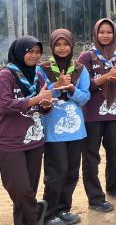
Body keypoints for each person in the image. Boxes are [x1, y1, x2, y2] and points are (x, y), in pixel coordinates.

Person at [78, 18, 116, 212]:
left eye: (109, 32)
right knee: (91, 156)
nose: (106, 35)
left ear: (114, 34)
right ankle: (95, 197)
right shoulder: (86, 57)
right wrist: (106, 77)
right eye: (102, 32)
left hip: (115, 112)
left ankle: (112, 185)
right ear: (95, 34)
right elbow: (83, 86)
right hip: (92, 114)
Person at [38, 30, 90, 225]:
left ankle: (63, 209)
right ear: (52, 47)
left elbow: (85, 97)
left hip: (76, 129)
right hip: (53, 129)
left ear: (71, 45)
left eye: (66, 44)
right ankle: (49, 214)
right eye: (58, 44)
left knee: (71, 172)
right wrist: (56, 85)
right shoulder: (42, 69)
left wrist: (72, 89)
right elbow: (39, 96)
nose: (62, 48)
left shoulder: (80, 69)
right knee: (55, 173)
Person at [0, 36, 52, 225]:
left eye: (38, 52)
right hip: (10, 141)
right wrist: (35, 100)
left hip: (34, 139)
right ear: (19, 52)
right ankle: (37, 211)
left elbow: (43, 107)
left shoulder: (38, 75)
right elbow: (4, 104)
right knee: (19, 188)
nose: (34, 56)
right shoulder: (6, 75)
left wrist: (46, 104)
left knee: (29, 188)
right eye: (30, 51)